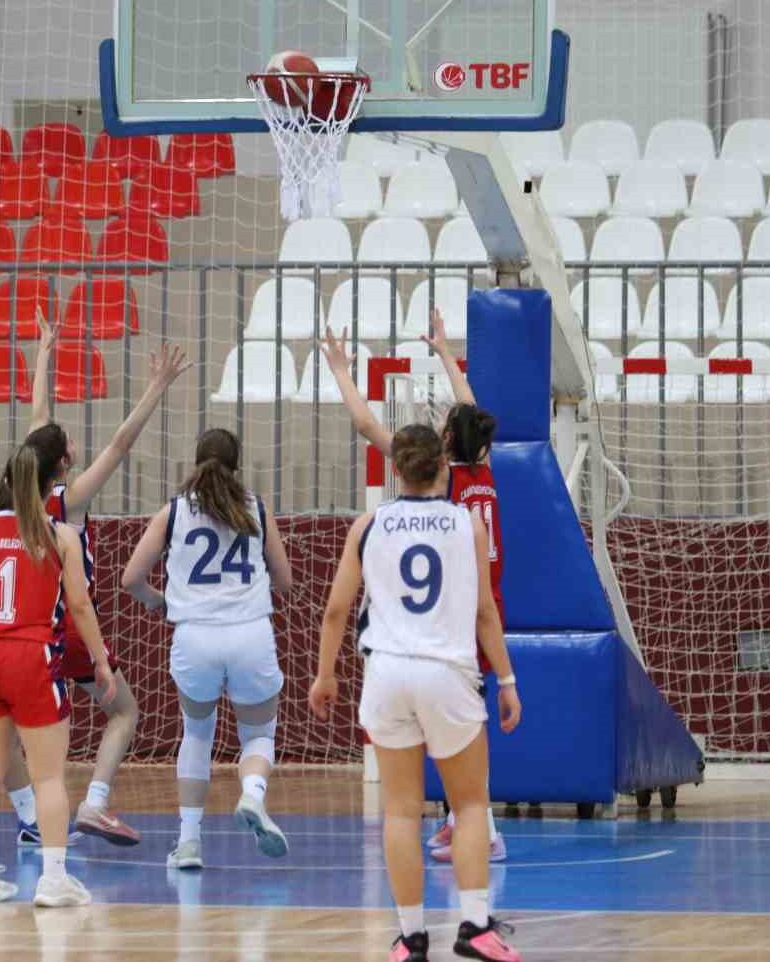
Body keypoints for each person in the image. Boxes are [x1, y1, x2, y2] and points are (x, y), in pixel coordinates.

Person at [0, 312, 192, 852]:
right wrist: (156, 389)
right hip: (67, 627)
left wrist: (43, 354)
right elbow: (119, 445)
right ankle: (93, 802)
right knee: (125, 712)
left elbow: (38, 418)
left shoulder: (20, 497)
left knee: (2, 736)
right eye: (69, 440)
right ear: (65, 460)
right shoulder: (68, 500)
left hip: (17, 630)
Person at [310, 425, 522, 962]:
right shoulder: (467, 524)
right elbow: (484, 612)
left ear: (395, 471)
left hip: (387, 674)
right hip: (447, 674)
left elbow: (336, 610)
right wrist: (507, 680)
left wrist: (325, 674)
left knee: (401, 813)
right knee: (470, 805)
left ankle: (411, 938)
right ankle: (475, 927)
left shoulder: (368, 525)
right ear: (444, 468)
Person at [318, 309, 508, 862]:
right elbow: (471, 411)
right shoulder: (485, 469)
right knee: (464, 717)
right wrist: (447, 354)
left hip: (455, 612)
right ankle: (462, 820)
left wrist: (342, 372)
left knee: (454, 724)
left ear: (443, 445)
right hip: (485, 603)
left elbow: (366, 425)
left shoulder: (439, 482)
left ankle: (482, 828)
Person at [0, 442, 117, 906]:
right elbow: (78, 604)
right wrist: (101, 660)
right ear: (50, 485)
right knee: (47, 778)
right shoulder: (59, 535)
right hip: (31, 657)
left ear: (7, 480)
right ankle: (54, 880)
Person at [120, 428, 295, 870]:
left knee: (196, 734)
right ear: (237, 466)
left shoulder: (175, 511)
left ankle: (189, 843)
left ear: (196, 463)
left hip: (194, 636)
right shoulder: (256, 509)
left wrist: (160, 602)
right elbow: (285, 581)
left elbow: (131, 579)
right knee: (258, 735)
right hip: (250, 633)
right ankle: (252, 793)